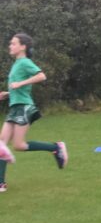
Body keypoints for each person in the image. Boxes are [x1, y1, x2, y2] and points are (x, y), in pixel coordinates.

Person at [0, 33, 66, 193]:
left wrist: (20, 83)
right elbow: (19, 87)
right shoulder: (16, 64)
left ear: (23, 46)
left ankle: (55, 147)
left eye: (13, 43)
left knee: (19, 145)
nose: (10, 46)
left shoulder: (24, 62)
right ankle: (1, 183)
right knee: (1, 144)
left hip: (24, 107)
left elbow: (41, 76)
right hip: (16, 106)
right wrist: (7, 93)